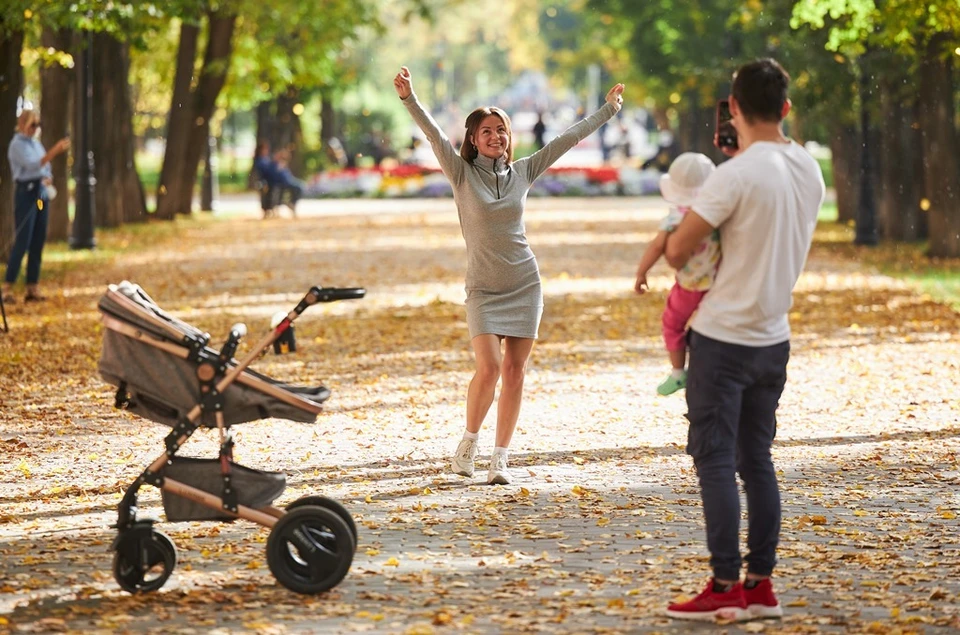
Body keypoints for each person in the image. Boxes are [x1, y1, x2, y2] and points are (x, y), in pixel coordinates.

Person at [393, 66, 624, 485]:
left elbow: (566, 140)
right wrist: (409, 98)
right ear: (472, 138)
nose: (495, 137)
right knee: (488, 369)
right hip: (482, 288)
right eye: (486, 131)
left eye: (501, 130)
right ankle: (469, 443)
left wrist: (607, 110)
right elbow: (431, 134)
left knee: (515, 372)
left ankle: (500, 459)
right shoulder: (460, 173)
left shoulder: (522, 172)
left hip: (524, 283)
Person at [660, 58, 825, 622]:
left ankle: (724, 584)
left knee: (713, 458)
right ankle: (760, 585)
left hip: (722, 339)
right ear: (785, 108)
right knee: (757, 459)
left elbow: (680, 250)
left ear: (732, 109)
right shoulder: (807, 168)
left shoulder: (732, 176)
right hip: (773, 338)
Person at [633, 152, 718, 396]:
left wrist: (642, 273)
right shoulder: (715, 213)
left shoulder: (676, 216)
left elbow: (658, 246)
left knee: (672, 324)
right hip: (718, 282)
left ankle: (678, 372)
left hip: (689, 286)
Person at [2, 109, 70, 304]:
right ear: (22, 123)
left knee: (38, 238)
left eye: (37, 125)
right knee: (23, 239)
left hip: (41, 195)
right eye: (33, 124)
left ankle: (32, 286)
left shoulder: (35, 144)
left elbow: (44, 168)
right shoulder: (16, 145)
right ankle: (7, 286)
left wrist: (48, 178)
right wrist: (55, 151)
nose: (35, 128)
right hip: (26, 194)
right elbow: (33, 165)